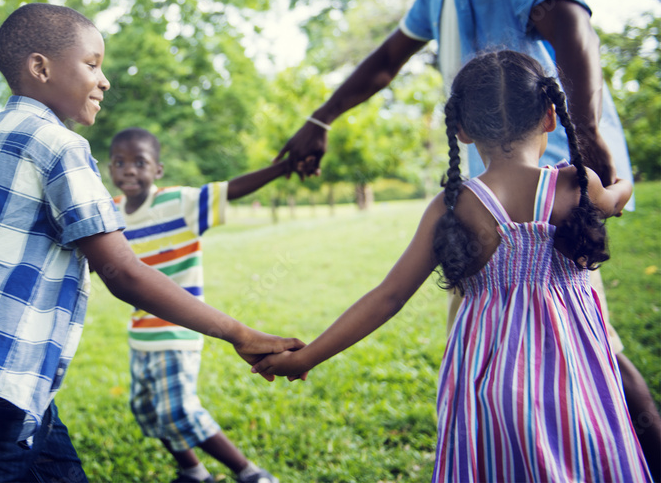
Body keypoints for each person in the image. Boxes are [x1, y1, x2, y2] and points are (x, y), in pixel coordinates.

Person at [277, 0, 660, 473]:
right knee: (575, 351)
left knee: (592, 356)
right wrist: (323, 115)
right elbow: (388, 59)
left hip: (544, 174)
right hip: (523, 185)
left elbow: (572, 29)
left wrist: (589, 135)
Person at [0, 2, 303, 482]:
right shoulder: (61, 148)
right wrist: (238, 333)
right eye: (92, 64)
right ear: (41, 67)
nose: (103, 80)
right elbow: (122, 272)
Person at [255, 50, 649, 481]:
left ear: (460, 129)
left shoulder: (455, 206)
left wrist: (307, 357)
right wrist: (622, 178)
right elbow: (616, 198)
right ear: (550, 117)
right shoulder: (577, 184)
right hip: (574, 377)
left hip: (487, 381)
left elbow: (388, 297)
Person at [108, 127, 287, 483]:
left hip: (178, 331)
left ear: (157, 169)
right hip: (140, 335)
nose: (129, 170)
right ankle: (193, 471)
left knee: (177, 411)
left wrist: (282, 167)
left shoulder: (179, 203)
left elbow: (231, 189)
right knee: (146, 412)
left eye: (139, 162)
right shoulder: (110, 213)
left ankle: (250, 473)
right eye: (119, 162)